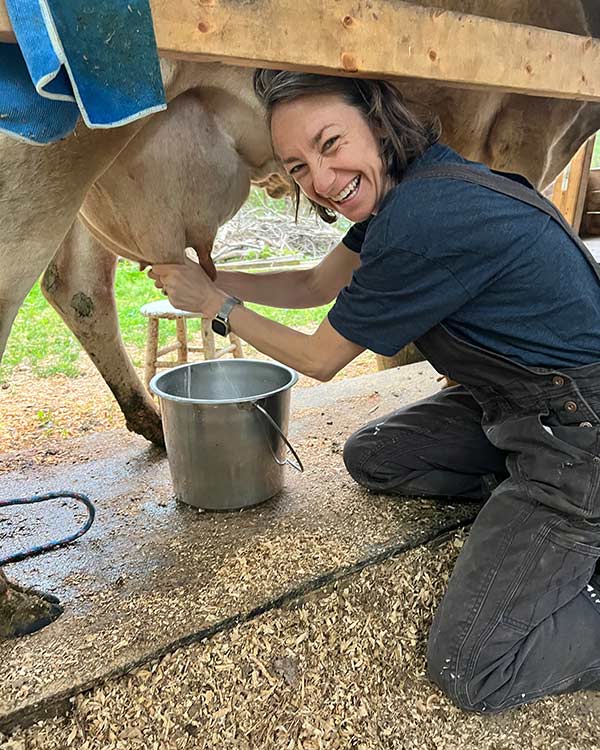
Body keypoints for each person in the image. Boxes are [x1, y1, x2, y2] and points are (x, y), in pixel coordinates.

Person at [148, 70, 600, 713]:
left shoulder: (421, 217)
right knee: (376, 456)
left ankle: (565, 531)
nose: (323, 182)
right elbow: (312, 284)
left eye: (331, 144)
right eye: (298, 167)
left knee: (472, 666)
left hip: (579, 430)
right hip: (521, 404)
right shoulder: (409, 188)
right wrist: (211, 280)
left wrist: (216, 307)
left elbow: (319, 358)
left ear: (379, 123)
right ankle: (535, 522)